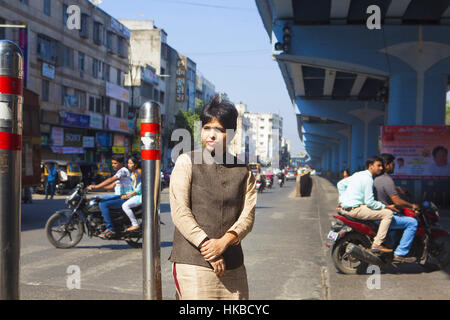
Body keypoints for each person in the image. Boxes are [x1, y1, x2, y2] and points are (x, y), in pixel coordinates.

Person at [169, 95, 257, 300]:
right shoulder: (186, 162)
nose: (211, 135)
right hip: (193, 263)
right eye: (207, 128)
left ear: (232, 133)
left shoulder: (243, 170)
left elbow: (248, 216)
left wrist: (225, 242)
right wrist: (207, 246)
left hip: (233, 265)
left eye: (219, 129)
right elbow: (180, 211)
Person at [337, 156, 398, 253]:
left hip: (345, 208)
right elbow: (370, 202)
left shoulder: (358, 174)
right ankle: (377, 244)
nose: (381, 168)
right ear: (371, 166)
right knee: (388, 214)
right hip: (356, 210)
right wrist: (386, 206)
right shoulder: (368, 179)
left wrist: (342, 200)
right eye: (378, 166)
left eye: (382, 166)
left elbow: (340, 184)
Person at [374, 153, 418, 263]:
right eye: (393, 164)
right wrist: (412, 205)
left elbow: (389, 190)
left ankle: (392, 244)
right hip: (385, 216)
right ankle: (400, 253)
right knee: (412, 223)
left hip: (376, 213)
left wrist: (398, 189)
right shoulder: (387, 180)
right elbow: (397, 201)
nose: (394, 166)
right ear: (387, 165)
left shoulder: (377, 178)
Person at [88, 155, 132, 239]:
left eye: (115, 163)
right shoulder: (120, 172)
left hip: (124, 198)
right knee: (97, 199)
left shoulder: (123, 171)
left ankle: (110, 229)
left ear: (121, 163)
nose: (113, 165)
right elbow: (112, 186)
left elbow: (111, 179)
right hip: (118, 196)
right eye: (112, 163)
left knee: (103, 204)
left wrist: (96, 186)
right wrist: (97, 187)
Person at [121, 156, 142, 232]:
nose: (128, 165)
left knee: (125, 206)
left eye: (131, 163)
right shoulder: (133, 173)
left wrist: (127, 195)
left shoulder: (138, 173)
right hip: (135, 195)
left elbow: (138, 189)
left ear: (135, 165)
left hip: (140, 197)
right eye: (128, 163)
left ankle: (135, 224)